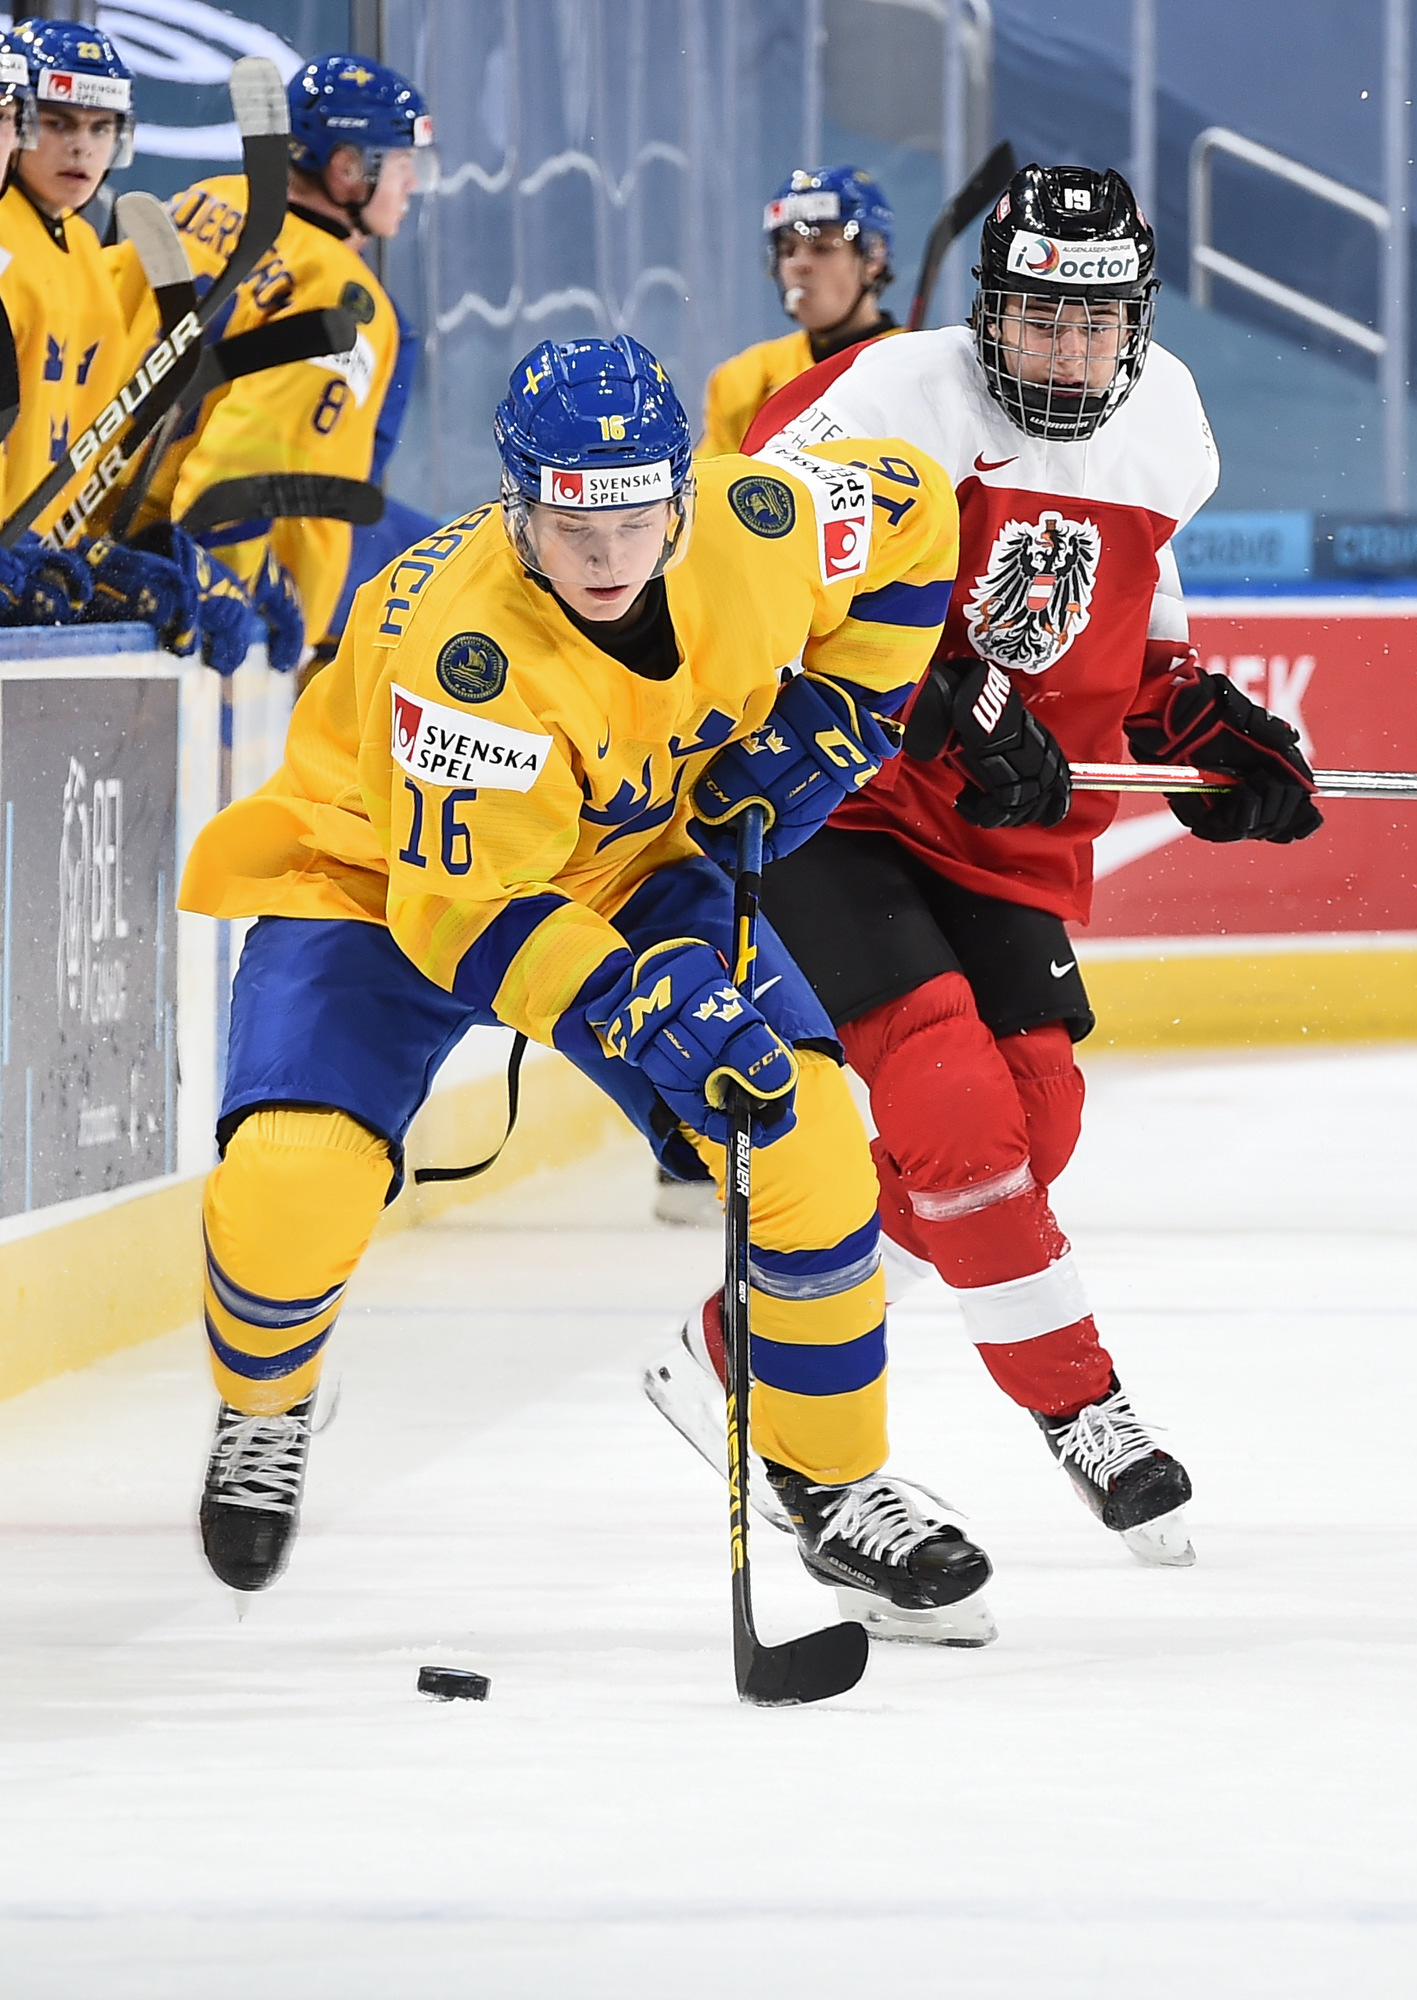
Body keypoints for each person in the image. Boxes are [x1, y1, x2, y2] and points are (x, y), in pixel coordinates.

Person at [177, 332, 995, 1642]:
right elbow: (461, 911)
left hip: (624, 858)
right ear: (519, 509)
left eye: (632, 518)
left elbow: (911, 512)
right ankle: (264, 1399)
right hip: (372, 877)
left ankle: (835, 1485)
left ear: (679, 494)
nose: (607, 555)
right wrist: (633, 1005)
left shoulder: (760, 518)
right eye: (573, 524)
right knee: (288, 1185)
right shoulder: (466, 655)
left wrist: (850, 711)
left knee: (807, 1149)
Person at [646, 165, 1323, 1597]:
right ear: (987, 310)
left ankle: (739, 1347)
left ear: (1134, 323)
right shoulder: (888, 397)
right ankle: (1081, 1405)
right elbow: (744, 572)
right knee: (948, 1097)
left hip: (1003, 830)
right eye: (1036, 321)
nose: (1065, 354)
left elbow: (1131, 618)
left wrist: (1195, 722)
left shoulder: (1165, 420)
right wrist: (930, 690)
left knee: (1033, 1117)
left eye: (1093, 326)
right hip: (836, 797)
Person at [117, 53, 437, 664]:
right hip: (196, 575)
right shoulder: (345, 296)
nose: (413, 186)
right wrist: (225, 584)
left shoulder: (200, 201)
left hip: (105, 521)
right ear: (349, 168)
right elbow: (246, 467)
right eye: (405, 165)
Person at [0, 19, 133, 533]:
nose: (82, 147)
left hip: (48, 551)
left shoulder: (84, 243)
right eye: (59, 124)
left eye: (100, 128)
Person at [695, 165, 903, 461]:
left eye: (823, 247)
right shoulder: (744, 378)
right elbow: (706, 485)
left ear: (874, 257)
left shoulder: (924, 365)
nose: (799, 264)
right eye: (788, 250)